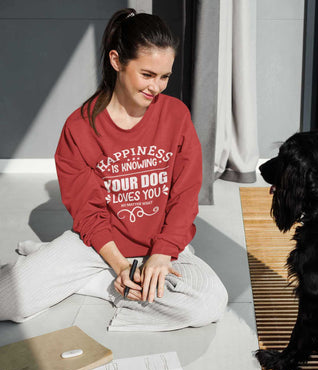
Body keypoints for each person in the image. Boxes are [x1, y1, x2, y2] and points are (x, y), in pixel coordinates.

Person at [0, 9, 228, 331]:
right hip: (96, 245)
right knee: (9, 298)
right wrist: (120, 265)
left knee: (208, 302)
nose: (157, 87)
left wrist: (162, 253)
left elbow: (185, 194)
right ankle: (98, 278)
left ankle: (86, 283)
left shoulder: (176, 116)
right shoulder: (79, 127)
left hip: (161, 246)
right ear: (117, 61)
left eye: (165, 76)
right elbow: (88, 213)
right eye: (147, 74)